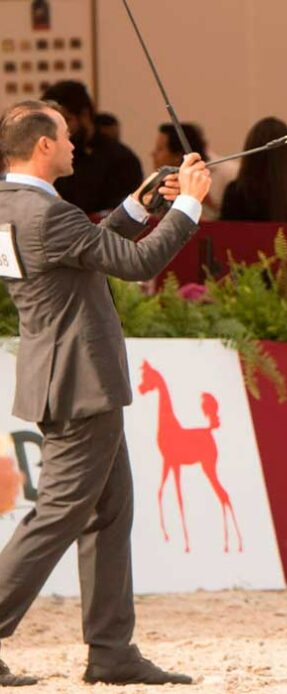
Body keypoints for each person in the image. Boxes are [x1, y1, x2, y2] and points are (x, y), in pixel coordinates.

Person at [0, 100, 210, 687]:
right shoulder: (48, 214)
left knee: (109, 512)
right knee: (58, 516)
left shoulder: (11, 207)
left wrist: (136, 205)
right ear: (43, 146)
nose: (74, 144)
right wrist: (189, 202)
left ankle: (112, 651)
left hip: (60, 379)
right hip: (81, 384)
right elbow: (137, 260)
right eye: (66, 136)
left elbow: (80, 253)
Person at [41, 81, 143, 214]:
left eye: (65, 120)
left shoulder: (121, 160)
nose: (57, 131)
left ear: (84, 115)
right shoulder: (50, 158)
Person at [152, 122, 237, 221]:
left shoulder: (229, 173)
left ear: (178, 155)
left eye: (160, 149)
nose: (153, 154)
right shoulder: (162, 178)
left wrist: (204, 202)